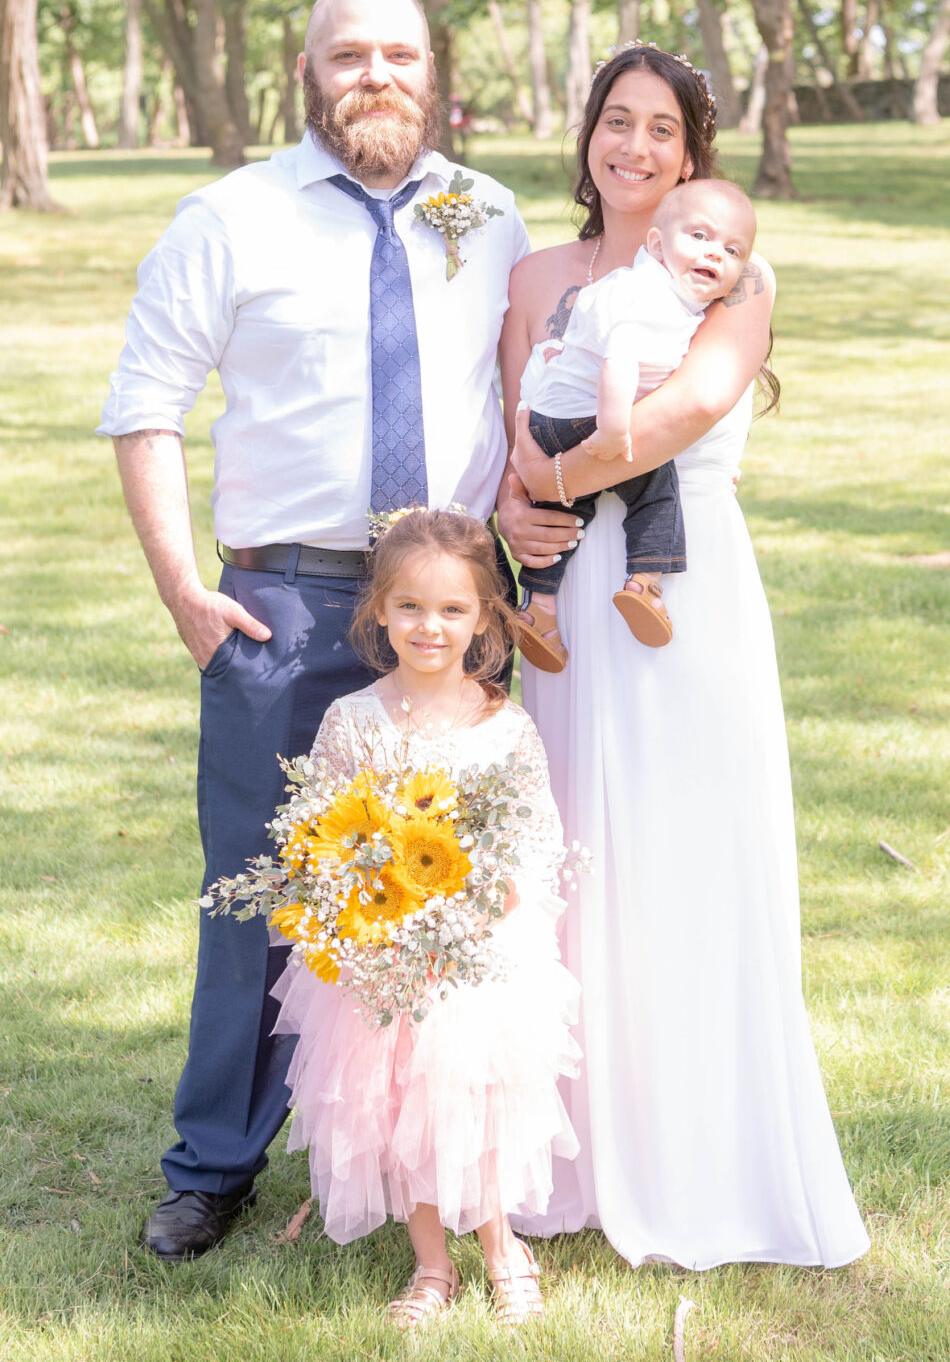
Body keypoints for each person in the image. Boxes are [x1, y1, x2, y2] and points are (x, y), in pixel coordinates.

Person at [98, 0, 539, 1263]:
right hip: (281, 598)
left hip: (451, 605)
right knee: (264, 887)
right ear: (308, 68)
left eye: (399, 52)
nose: (377, 75)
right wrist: (185, 589)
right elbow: (145, 404)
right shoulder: (230, 217)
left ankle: (440, 1154)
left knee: (458, 887)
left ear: (433, 65)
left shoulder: (487, 213)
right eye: (350, 54)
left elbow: (533, 390)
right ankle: (215, 1163)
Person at [498, 43, 868, 1270]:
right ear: (588, 135)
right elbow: (516, 421)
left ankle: (704, 1158)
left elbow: (683, 412)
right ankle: (565, 1163)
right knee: (568, 865)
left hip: (679, 591)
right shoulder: (538, 272)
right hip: (561, 598)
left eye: (662, 129)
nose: (636, 147)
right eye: (617, 120)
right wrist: (515, 504)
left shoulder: (735, 277)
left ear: (692, 155)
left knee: (684, 853)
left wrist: (547, 475)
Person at [275, 511, 579, 1330]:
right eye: (408, 607)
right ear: (377, 610)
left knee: (471, 1097)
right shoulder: (353, 721)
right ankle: (431, 1264)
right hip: (382, 953)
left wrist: (485, 907)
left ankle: (501, 1247)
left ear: (484, 616)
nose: (429, 627)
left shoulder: (503, 727)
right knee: (390, 1098)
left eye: (451, 610)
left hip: (478, 952)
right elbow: (323, 835)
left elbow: (531, 839)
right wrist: (366, 912)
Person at [513, 178, 759, 673]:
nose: (716, 254)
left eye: (732, 249)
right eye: (700, 237)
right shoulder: (650, 295)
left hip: (551, 420)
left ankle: (538, 608)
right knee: (656, 486)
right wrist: (612, 429)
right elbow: (621, 357)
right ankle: (645, 580)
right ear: (656, 244)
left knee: (566, 512)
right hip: (588, 419)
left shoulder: (707, 286)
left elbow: (707, 396)